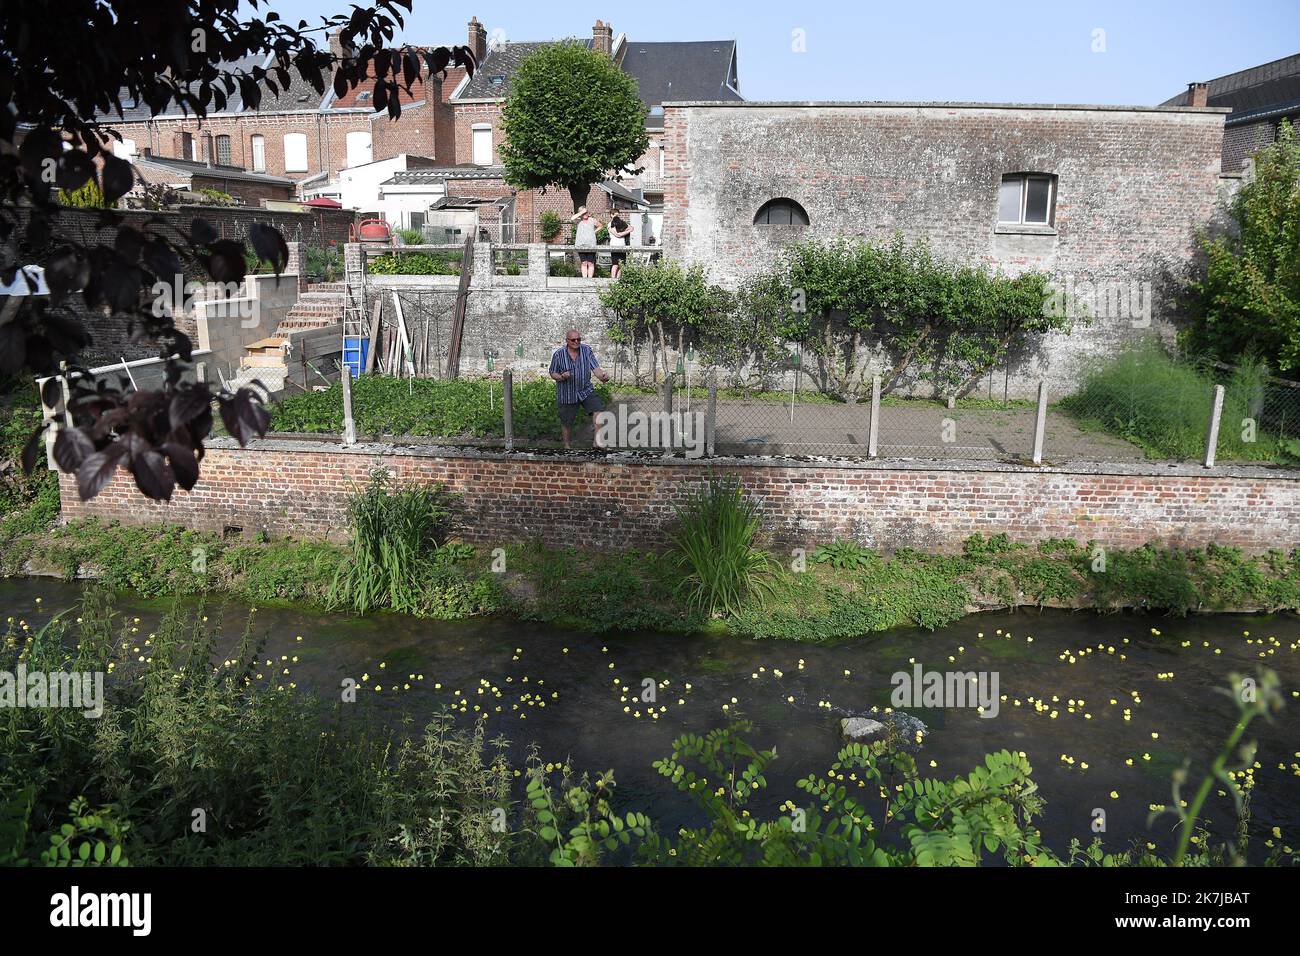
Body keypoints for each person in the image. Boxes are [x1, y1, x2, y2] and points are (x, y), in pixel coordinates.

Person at [549, 329, 610, 449]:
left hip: (585, 389)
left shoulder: (586, 350)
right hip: (567, 393)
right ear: (567, 341)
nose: (576, 342)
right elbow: (552, 373)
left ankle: (597, 443)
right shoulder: (558, 354)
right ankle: (566, 445)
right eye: (573, 340)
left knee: (598, 409)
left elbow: (595, 368)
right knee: (567, 421)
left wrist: (602, 377)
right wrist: (561, 377)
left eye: (578, 339)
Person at [569, 207, 602, 279]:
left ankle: (590, 279)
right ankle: (584, 279)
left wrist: (594, 232)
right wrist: (582, 212)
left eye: (586, 212)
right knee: (584, 262)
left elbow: (600, 226)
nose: (585, 214)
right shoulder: (578, 220)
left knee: (590, 263)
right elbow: (572, 218)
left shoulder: (592, 220)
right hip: (581, 245)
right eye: (583, 213)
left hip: (591, 244)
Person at [608, 212, 632, 279]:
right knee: (615, 264)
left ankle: (618, 279)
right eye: (615, 214)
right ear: (611, 215)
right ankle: (613, 279)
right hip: (614, 245)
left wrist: (625, 230)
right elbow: (618, 235)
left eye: (617, 215)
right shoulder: (610, 224)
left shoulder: (621, 223)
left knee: (621, 264)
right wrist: (626, 232)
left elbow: (631, 228)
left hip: (622, 245)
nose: (616, 216)